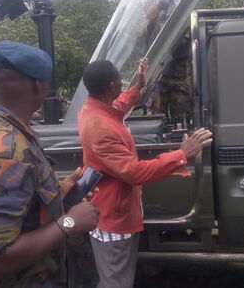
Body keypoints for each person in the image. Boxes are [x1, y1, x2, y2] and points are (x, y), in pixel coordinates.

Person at [0, 41, 99, 287]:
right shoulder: (5, 152)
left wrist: (57, 196)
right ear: (38, 85)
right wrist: (71, 222)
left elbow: (17, 209)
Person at [78, 57, 213, 288]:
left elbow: (120, 103)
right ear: (111, 85)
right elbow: (134, 172)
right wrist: (182, 153)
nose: (122, 83)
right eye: (119, 80)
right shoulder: (101, 127)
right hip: (113, 218)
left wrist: (139, 85)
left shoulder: (94, 109)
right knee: (116, 282)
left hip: (118, 209)